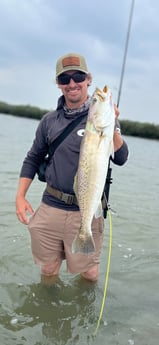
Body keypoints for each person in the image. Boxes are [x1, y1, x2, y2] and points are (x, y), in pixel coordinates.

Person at [16, 53, 129, 282]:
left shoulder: (105, 120)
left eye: (78, 76)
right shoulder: (49, 121)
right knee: (48, 269)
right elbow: (33, 157)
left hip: (84, 211)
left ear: (88, 79)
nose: (72, 84)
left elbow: (121, 157)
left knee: (89, 273)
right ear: (58, 84)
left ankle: (84, 314)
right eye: (64, 79)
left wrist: (112, 124)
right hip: (51, 206)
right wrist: (20, 196)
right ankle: (49, 314)